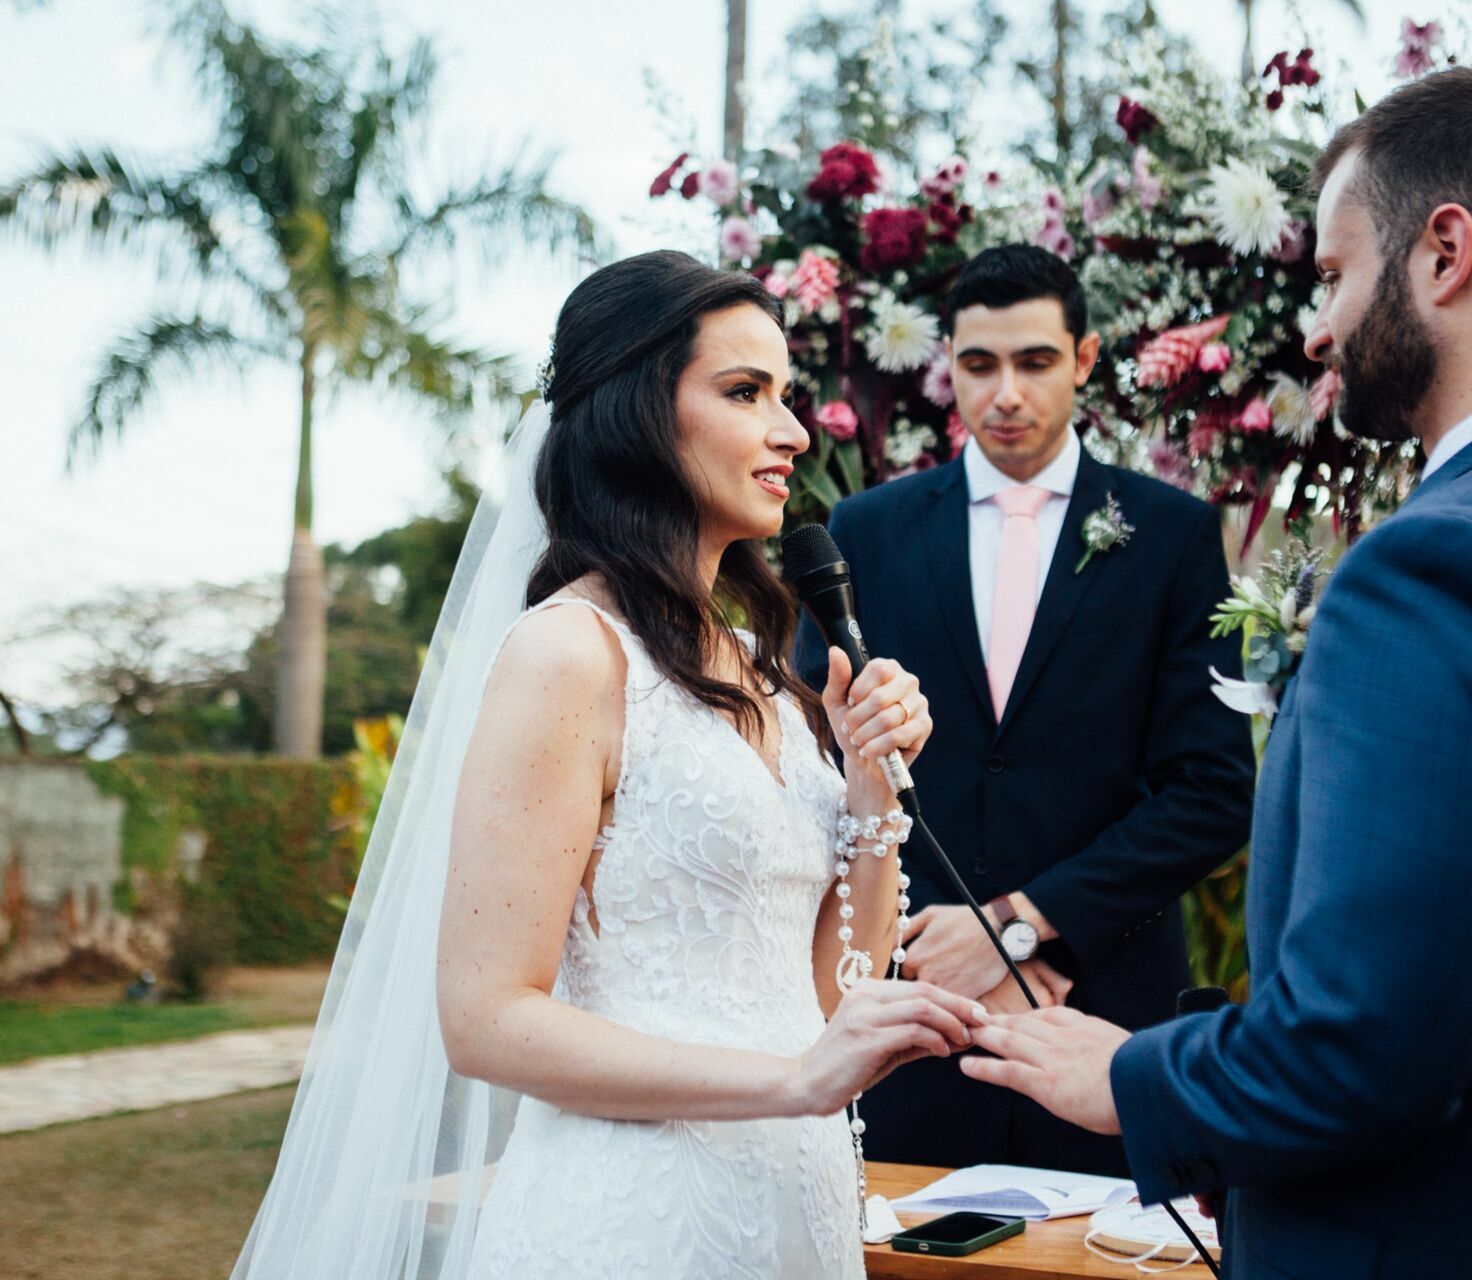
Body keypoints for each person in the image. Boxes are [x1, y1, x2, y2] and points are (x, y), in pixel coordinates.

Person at [961, 64, 1472, 1277]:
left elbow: (1364, 1049)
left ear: (1444, 253)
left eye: (1331, 273)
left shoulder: (1439, 565)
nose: (1315, 328)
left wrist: (1128, 1074)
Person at [233, 250, 984, 1280]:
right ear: (638, 413)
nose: (794, 430)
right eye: (744, 391)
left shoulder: (764, 671)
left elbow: (826, 993)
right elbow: (486, 1018)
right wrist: (794, 1077)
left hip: (793, 1211)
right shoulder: (567, 652)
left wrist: (867, 784)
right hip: (631, 1221)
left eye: (789, 395)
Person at [796, 244, 1255, 1176]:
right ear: (949, 368)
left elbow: (1213, 788)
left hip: (1094, 1019)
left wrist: (1018, 925)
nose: (1005, 392)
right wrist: (927, 949)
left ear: (1084, 360)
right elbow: (815, 764)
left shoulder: (1170, 536)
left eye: (1035, 362)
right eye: (979, 364)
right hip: (907, 1023)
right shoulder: (866, 533)